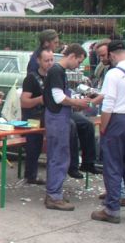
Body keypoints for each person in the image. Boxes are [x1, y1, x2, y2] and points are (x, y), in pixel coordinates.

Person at [90, 39, 125, 223]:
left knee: (113, 166)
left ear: (112, 55)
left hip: (118, 121)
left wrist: (103, 128)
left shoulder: (114, 73)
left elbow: (108, 105)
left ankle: (112, 209)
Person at [42, 44, 91, 211]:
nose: (78, 65)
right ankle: (54, 196)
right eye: (79, 61)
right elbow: (58, 97)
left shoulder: (58, 71)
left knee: (58, 155)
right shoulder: (57, 71)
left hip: (58, 117)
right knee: (59, 156)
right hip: (57, 118)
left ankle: (54, 193)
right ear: (72, 56)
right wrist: (77, 102)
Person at [20, 48, 55, 185]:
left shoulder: (54, 76)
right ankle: (31, 175)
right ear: (38, 61)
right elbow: (24, 102)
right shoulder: (31, 78)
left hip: (48, 115)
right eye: (46, 60)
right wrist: (40, 100)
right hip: (33, 117)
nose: (50, 63)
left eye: (52, 60)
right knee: (34, 144)